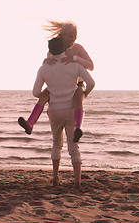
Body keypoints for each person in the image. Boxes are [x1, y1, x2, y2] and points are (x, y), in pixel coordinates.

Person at [32, 37, 95, 189]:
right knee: (73, 147)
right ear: (65, 49)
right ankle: (77, 182)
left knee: (56, 144)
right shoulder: (74, 65)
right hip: (72, 110)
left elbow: (35, 93)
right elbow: (92, 83)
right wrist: (84, 93)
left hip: (54, 110)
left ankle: (55, 178)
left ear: (50, 50)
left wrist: (50, 91)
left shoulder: (44, 68)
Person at [18, 20, 94, 143]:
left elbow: (91, 66)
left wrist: (75, 58)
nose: (73, 38)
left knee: (79, 97)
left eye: (75, 35)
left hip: (76, 84)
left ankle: (77, 128)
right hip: (58, 85)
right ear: (62, 36)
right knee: (43, 96)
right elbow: (49, 69)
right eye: (70, 36)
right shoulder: (53, 50)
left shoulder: (78, 48)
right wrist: (45, 61)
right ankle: (30, 123)